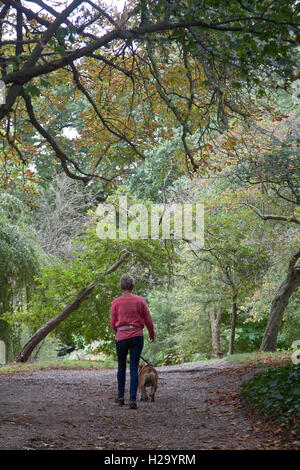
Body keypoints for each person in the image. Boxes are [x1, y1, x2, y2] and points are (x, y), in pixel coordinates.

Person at [110, 273, 155, 409]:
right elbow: (148, 320)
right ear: (132, 285)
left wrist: (118, 332)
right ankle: (132, 400)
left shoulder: (116, 302)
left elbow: (113, 322)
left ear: (121, 286)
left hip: (121, 336)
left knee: (121, 367)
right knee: (134, 367)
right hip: (136, 336)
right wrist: (151, 333)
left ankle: (120, 397)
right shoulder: (140, 300)